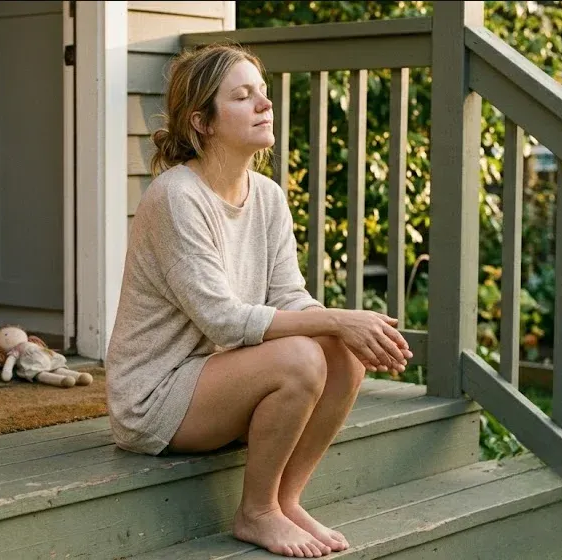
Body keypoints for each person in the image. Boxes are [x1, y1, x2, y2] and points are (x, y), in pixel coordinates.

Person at [105, 43, 413, 559]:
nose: (264, 105)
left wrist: (346, 332)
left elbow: (289, 294)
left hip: (218, 376)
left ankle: (285, 501)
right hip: (155, 399)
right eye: (243, 97)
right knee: (302, 355)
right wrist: (340, 319)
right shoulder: (176, 197)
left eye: (263, 95)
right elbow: (223, 320)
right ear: (202, 122)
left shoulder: (266, 196)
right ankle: (256, 512)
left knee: (344, 353)